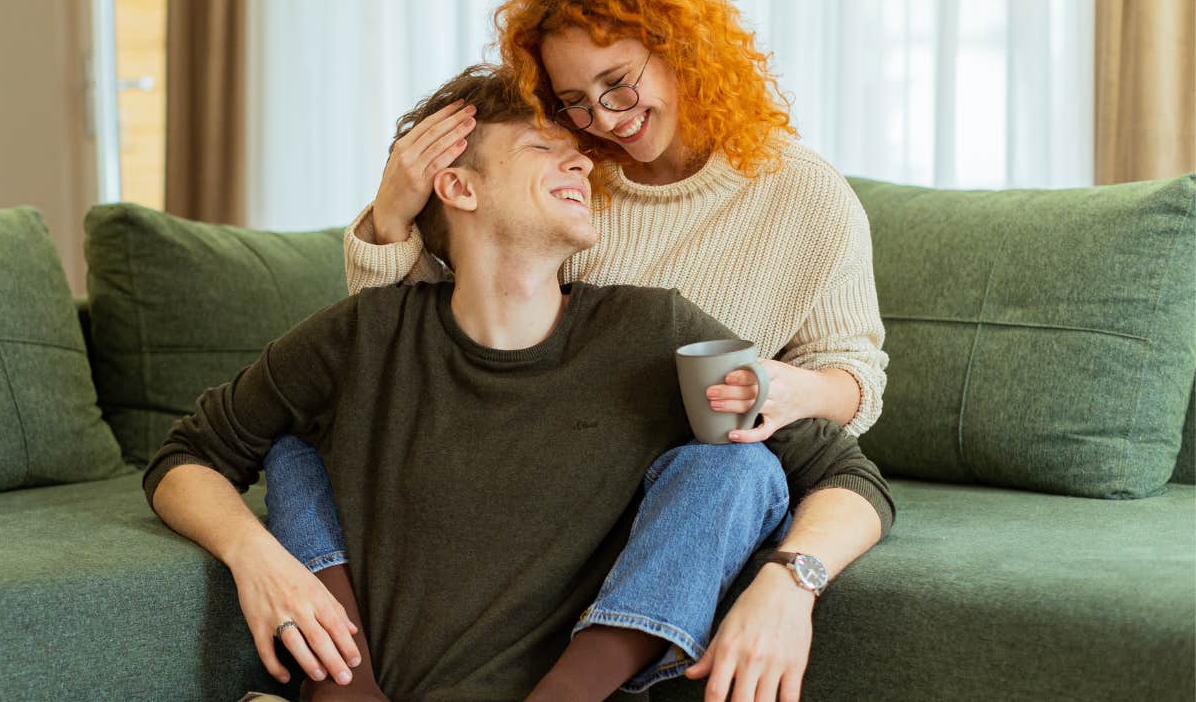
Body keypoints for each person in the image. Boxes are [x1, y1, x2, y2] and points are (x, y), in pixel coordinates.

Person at [146, 66, 893, 702]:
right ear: (457, 187)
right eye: (545, 148)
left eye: (581, 158)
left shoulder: (655, 329)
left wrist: (792, 580)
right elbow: (186, 457)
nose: (580, 166)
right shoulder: (364, 335)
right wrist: (256, 557)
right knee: (290, 446)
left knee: (740, 461)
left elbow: (847, 476)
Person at [328, 0, 892, 700]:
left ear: (680, 50)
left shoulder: (806, 200)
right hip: (542, 468)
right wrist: (393, 216)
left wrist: (798, 390)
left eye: (618, 85)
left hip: (686, 468)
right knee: (309, 431)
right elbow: (432, 333)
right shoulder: (572, 178)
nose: (605, 120)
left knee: (736, 466)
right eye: (573, 101)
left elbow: (857, 376)